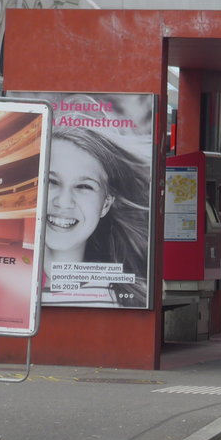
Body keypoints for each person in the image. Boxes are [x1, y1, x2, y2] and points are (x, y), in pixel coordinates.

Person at [44, 126, 151, 307]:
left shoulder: (126, 301)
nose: (63, 202)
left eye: (84, 187)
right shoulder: (3, 281)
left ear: (106, 204)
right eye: (52, 181)